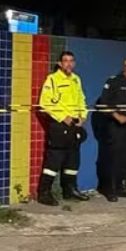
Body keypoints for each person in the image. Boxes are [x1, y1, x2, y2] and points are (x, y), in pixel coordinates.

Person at [37, 50, 89, 206]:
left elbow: (81, 99)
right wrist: (63, 117)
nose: (69, 63)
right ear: (60, 63)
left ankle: (70, 190)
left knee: (73, 160)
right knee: (54, 161)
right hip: (59, 125)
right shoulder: (52, 79)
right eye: (65, 60)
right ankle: (44, 193)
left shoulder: (76, 80)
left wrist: (83, 116)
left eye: (71, 61)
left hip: (75, 125)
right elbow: (45, 104)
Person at [95, 56, 126, 202]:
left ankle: (122, 186)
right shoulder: (113, 82)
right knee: (113, 158)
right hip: (116, 127)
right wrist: (116, 115)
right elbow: (103, 104)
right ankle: (109, 189)